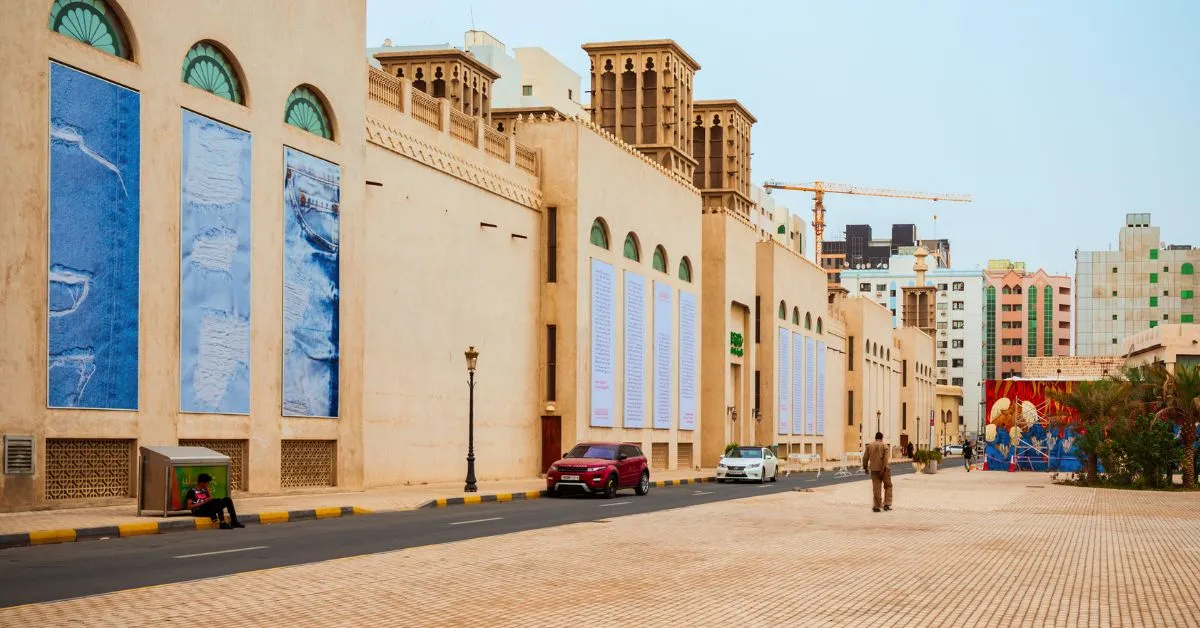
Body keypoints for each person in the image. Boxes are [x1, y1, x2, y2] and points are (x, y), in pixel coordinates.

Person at [863, 432, 893, 512]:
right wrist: (883, 469)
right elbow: (885, 459)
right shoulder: (885, 446)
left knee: (876, 488)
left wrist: (865, 468)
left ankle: (877, 506)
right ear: (882, 438)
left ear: (875, 438)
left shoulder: (869, 446)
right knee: (888, 486)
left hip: (874, 470)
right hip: (884, 470)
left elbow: (865, 458)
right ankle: (887, 504)